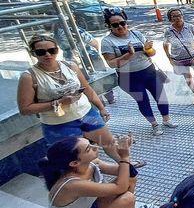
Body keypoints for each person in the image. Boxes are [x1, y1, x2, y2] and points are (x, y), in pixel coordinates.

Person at [17, 35, 144, 166]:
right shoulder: (29, 76)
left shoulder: (70, 66)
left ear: (57, 49)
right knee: (77, 157)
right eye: (41, 52)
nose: (48, 54)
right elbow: (25, 109)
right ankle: (98, 176)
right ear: (33, 53)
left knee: (108, 142)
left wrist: (101, 108)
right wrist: (58, 103)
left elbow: (87, 88)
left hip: (87, 113)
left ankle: (126, 164)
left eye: (52, 50)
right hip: (58, 124)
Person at [40, 136, 154, 208]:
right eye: (88, 149)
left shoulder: (90, 164)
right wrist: (124, 156)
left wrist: (123, 152)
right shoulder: (72, 184)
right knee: (127, 198)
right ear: (74, 163)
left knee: (130, 179)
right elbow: (120, 187)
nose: (95, 147)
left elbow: (127, 173)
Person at [101, 8, 177, 136]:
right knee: (143, 101)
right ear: (109, 26)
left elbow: (152, 53)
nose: (120, 26)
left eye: (122, 23)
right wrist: (127, 55)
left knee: (161, 96)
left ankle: (166, 120)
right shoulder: (107, 41)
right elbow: (111, 63)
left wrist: (148, 49)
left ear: (126, 22)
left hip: (149, 71)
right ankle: (154, 125)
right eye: (115, 25)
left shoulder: (136, 34)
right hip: (128, 77)